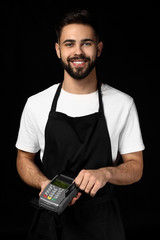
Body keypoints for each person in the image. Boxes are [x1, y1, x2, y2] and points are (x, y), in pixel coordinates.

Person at [16, 9, 145, 240]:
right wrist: (44, 183)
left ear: (99, 48)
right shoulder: (36, 103)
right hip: (50, 224)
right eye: (69, 44)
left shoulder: (122, 103)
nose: (78, 51)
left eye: (86, 43)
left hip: (102, 225)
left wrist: (105, 173)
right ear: (58, 50)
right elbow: (23, 159)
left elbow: (136, 167)